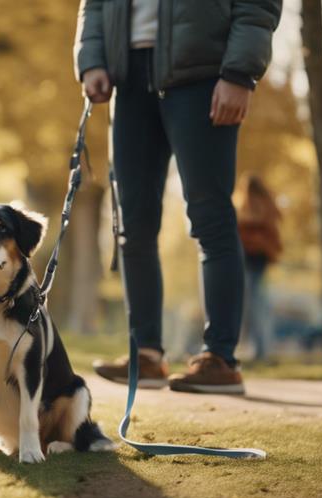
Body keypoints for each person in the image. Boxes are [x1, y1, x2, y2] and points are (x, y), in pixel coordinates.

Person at [77, 0, 281, 394]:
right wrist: (92, 60)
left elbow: (258, 5)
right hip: (128, 78)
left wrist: (240, 73)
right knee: (132, 225)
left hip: (202, 73)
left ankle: (220, 358)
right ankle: (147, 354)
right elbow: (95, 6)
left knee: (210, 217)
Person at [235, 174, 282, 362]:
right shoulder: (269, 204)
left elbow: (245, 223)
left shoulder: (249, 205)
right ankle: (259, 347)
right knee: (256, 301)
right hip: (258, 257)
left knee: (253, 302)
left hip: (251, 256)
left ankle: (259, 348)